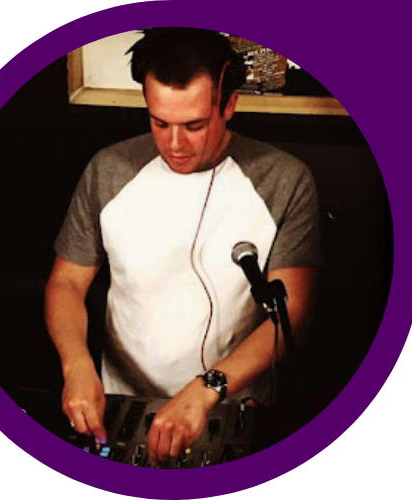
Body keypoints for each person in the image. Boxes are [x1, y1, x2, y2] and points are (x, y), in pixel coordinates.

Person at [45, 28, 321, 467]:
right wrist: (76, 365)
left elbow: (293, 314)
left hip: (230, 403)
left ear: (229, 105)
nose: (174, 145)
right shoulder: (107, 169)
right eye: (160, 123)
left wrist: (209, 387)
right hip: (121, 402)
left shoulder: (285, 179)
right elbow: (67, 283)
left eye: (194, 125)